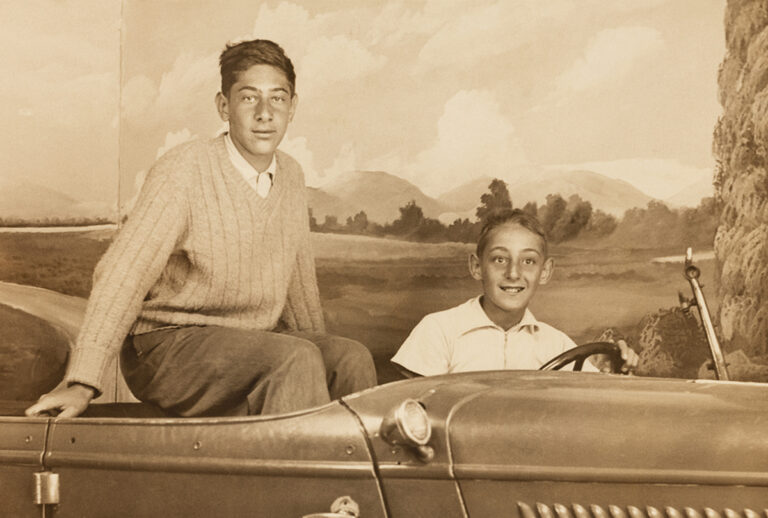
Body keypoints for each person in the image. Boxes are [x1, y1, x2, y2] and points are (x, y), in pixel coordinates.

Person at [27, 39, 376, 418]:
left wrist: (318, 346)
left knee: (349, 358)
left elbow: (297, 281)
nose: (264, 113)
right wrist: (83, 381)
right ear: (223, 106)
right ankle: (286, 478)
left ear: (293, 107)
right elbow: (123, 274)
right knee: (295, 358)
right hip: (165, 346)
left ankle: (351, 477)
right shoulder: (184, 170)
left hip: (249, 343)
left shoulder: (291, 174)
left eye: (277, 98)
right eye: (248, 98)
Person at [391, 208, 638, 377]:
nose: (513, 273)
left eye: (528, 261)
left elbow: (591, 408)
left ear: (545, 271)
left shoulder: (556, 344)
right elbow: (416, 416)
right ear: (476, 267)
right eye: (499, 259)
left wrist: (618, 370)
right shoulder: (439, 330)